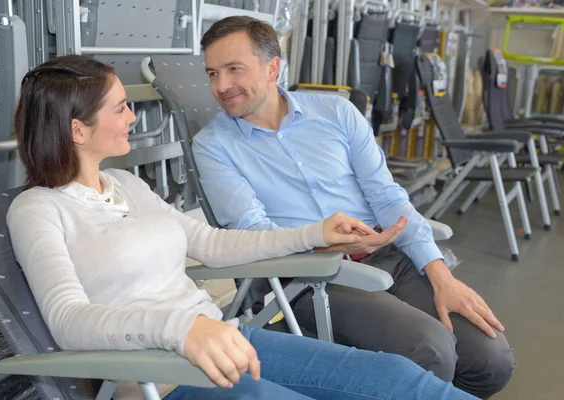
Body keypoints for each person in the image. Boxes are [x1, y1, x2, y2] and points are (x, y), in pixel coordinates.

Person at [6, 55, 478, 400]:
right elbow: (69, 320)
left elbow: (211, 244)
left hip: (225, 339)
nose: (132, 117)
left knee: (400, 379)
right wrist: (181, 329)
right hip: (160, 375)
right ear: (76, 130)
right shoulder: (38, 210)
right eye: (120, 108)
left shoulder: (127, 184)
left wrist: (317, 232)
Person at [192, 16, 515, 400]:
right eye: (213, 73)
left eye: (234, 69)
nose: (221, 86)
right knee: (429, 351)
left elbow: (387, 196)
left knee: (490, 358)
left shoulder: (337, 113)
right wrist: (317, 243)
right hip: (312, 276)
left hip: (388, 255)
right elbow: (250, 231)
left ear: (272, 67)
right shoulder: (213, 145)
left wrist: (442, 277)